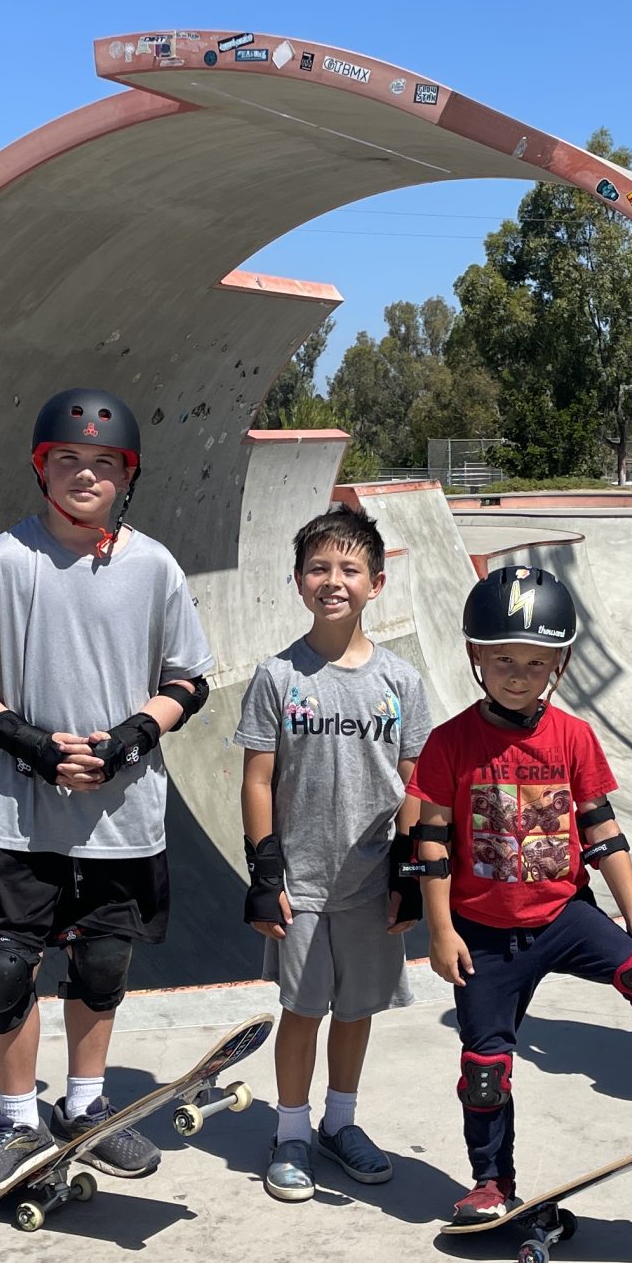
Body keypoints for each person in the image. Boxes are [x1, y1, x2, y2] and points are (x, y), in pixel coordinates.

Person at [0, 389, 217, 1199]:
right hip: (15, 813)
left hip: (122, 816)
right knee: (3, 964)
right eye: (67, 460)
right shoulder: (1, 561)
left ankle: (86, 1109)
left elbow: (189, 679)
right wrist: (29, 745)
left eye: (102, 464)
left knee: (101, 961)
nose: (84, 475)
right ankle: (18, 1118)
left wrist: (132, 737)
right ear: (40, 468)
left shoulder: (155, 565)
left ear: (125, 476)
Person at [408, 564, 632, 1224]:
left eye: (536, 664)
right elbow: (431, 846)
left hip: (564, 915)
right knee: (484, 1069)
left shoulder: (572, 737)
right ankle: (491, 1183)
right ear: (476, 657)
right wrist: (441, 932)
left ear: (558, 666)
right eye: (503, 660)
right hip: (482, 934)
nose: (518, 675)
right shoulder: (449, 744)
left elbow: (603, 832)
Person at [234, 503, 430, 1201]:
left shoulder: (401, 681)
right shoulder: (277, 677)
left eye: (350, 568)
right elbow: (259, 778)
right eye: (319, 567)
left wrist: (411, 870)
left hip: (373, 879)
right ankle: (290, 1131)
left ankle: (339, 1123)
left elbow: (416, 783)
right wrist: (265, 870)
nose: (334, 580)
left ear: (376, 583)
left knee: (356, 1010)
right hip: (303, 881)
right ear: (298, 580)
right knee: (304, 1008)